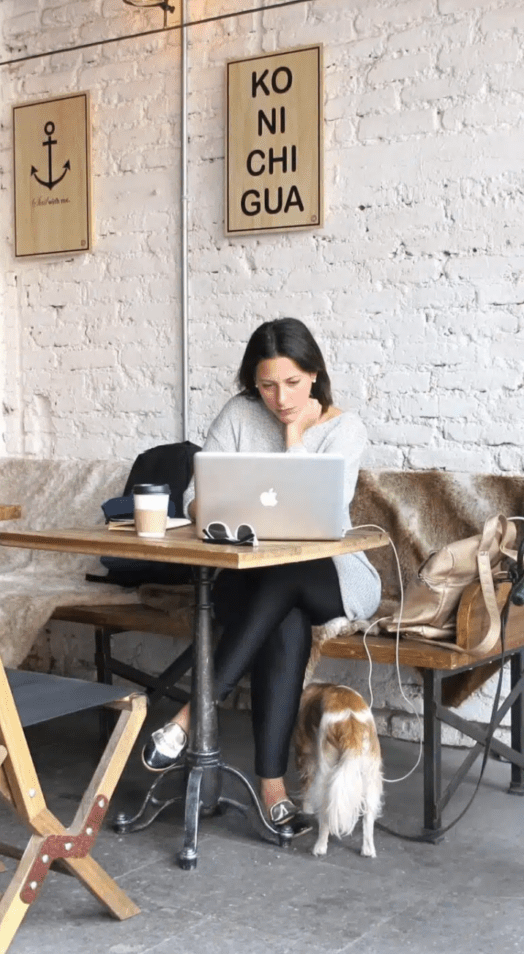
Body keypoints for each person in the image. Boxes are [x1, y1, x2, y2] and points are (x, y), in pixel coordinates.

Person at [140, 318, 381, 832]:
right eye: (267, 386)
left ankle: (189, 717)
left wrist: (295, 436)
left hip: (328, 575)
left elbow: (322, 518)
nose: (279, 398)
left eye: (292, 383)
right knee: (283, 618)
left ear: (314, 375)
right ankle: (273, 790)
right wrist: (210, 503)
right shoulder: (239, 415)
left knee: (286, 579)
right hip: (248, 578)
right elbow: (193, 499)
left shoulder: (344, 429)